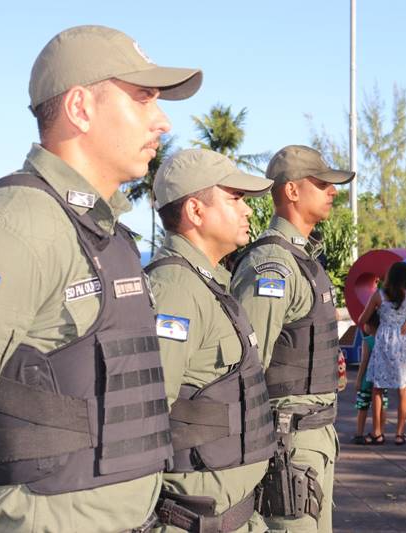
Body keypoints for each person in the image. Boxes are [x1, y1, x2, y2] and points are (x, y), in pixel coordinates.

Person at [0, 25, 202, 532]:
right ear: (80, 108)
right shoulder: (12, 228)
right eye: (143, 98)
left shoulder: (107, 235)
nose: (162, 120)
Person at [144, 149, 277, 533]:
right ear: (195, 211)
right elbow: (148, 414)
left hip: (233, 514)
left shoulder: (208, 282)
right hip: (194, 519)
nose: (247, 210)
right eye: (234, 198)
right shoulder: (175, 290)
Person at [230, 145, 354, 533]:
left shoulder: (303, 259)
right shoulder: (273, 265)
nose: (333, 191)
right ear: (292, 190)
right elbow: (247, 366)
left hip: (313, 436)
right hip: (289, 442)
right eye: (322, 183)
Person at [357, 261, 406, 446]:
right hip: (403, 341)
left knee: (377, 387)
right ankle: (400, 434)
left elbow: (362, 319)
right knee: (404, 388)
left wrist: (377, 318)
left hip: (384, 341)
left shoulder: (378, 295)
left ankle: (377, 433)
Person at [351, 313, 388, 445]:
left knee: (362, 407)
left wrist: (358, 380)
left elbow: (364, 362)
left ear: (370, 326)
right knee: (382, 407)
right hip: (382, 381)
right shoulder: (386, 340)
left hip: (367, 381)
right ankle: (380, 433)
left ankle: (359, 434)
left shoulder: (367, 341)